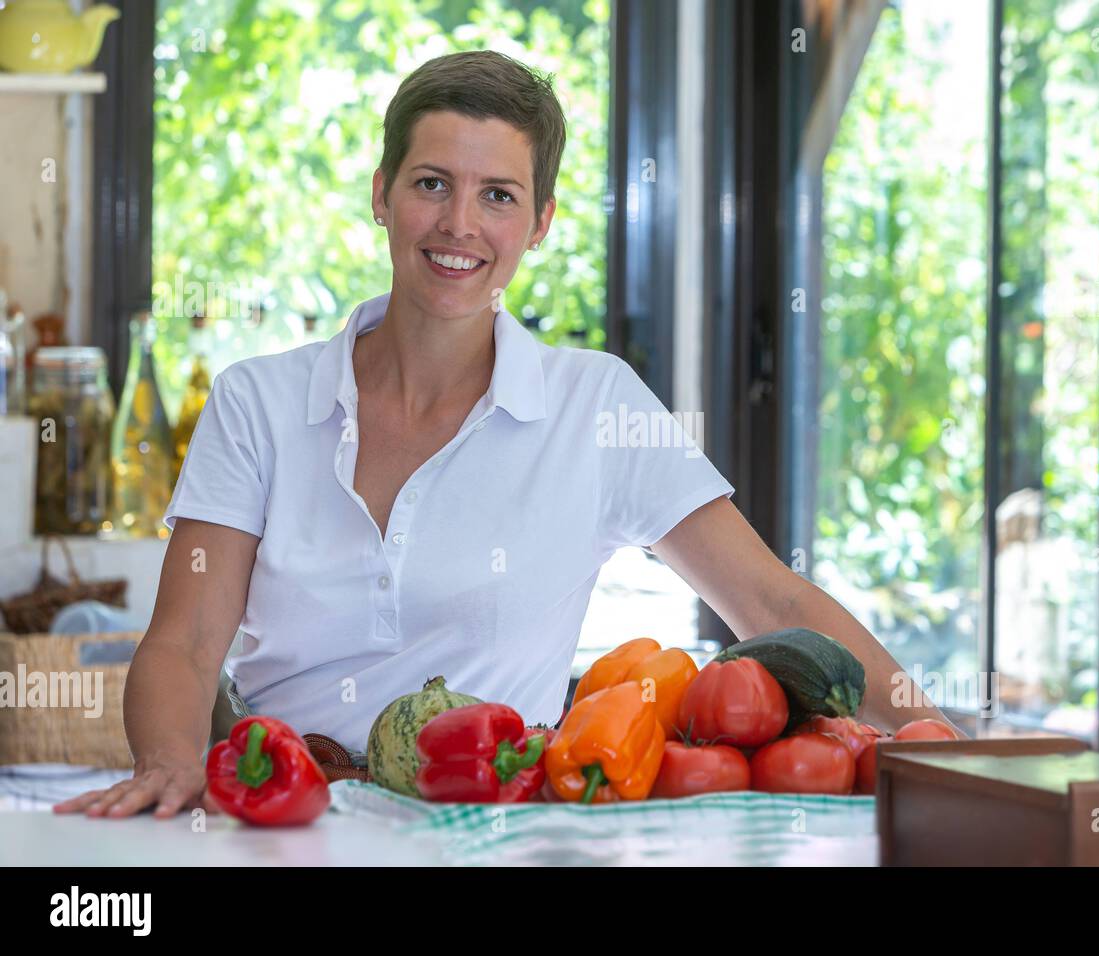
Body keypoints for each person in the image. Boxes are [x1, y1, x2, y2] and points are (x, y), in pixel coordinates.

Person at [55, 50, 957, 821]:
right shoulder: (257, 401)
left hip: (495, 833)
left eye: (498, 195)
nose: (459, 225)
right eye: (432, 184)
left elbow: (774, 605)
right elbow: (182, 644)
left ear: (541, 222)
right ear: (382, 194)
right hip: (286, 815)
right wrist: (170, 766)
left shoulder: (593, 404)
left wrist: (951, 749)